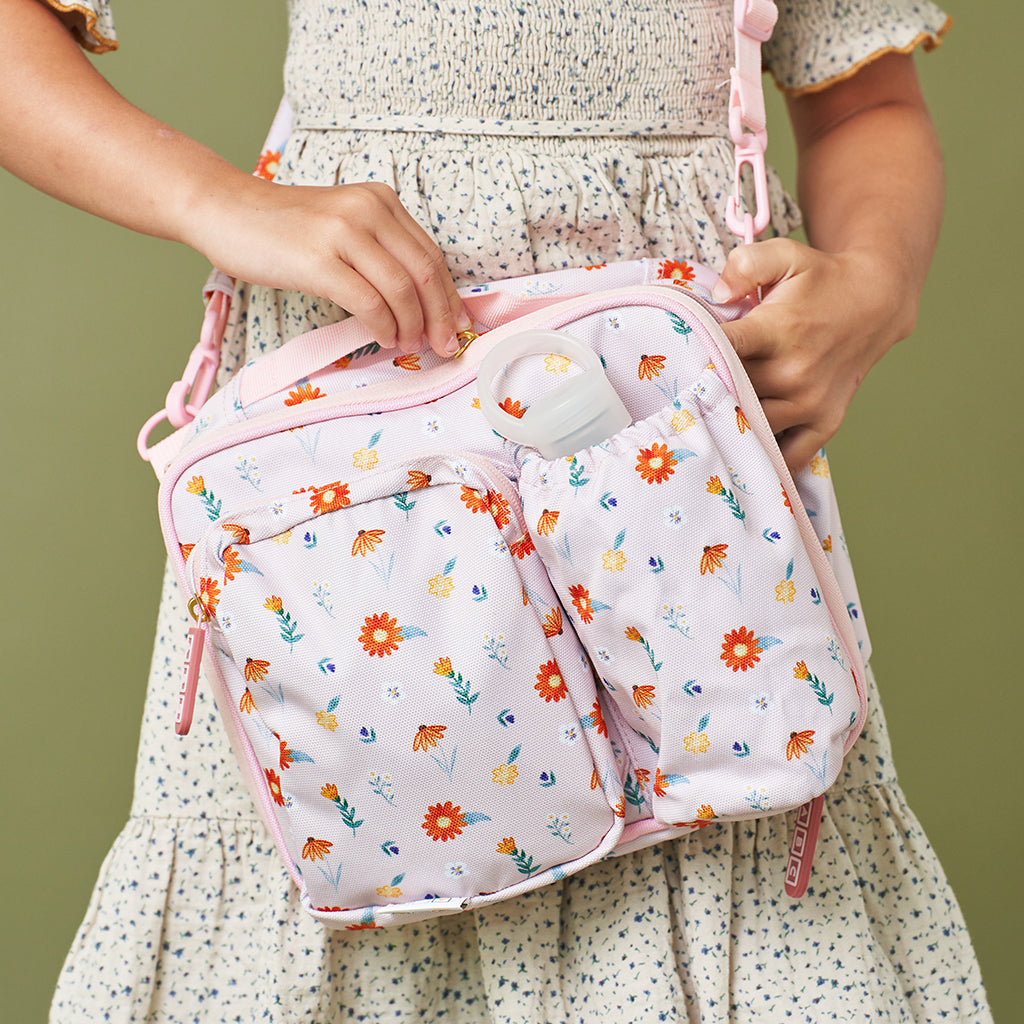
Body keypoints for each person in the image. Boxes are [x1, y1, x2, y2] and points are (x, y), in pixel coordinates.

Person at [1, 0, 993, 1020]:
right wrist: (214, 201)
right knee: (350, 825)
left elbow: (867, 101)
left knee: (732, 794)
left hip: (662, 474)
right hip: (346, 477)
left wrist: (874, 284)